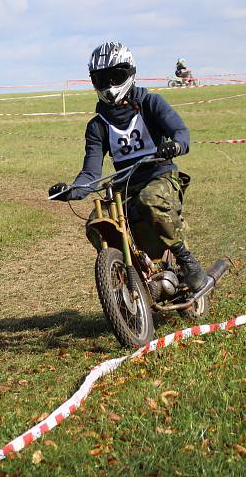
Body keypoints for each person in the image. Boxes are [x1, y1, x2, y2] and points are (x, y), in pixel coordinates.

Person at [48, 41, 207, 292]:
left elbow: (181, 133)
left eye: (116, 76)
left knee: (149, 200)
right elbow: (90, 172)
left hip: (160, 176)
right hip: (125, 186)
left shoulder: (151, 103)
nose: (110, 85)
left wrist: (174, 146)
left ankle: (186, 259)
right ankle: (131, 269)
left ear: (130, 73)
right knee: (95, 223)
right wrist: (71, 191)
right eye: (102, 79)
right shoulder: (97, 125)